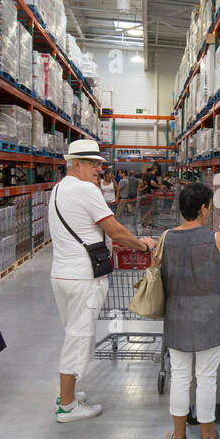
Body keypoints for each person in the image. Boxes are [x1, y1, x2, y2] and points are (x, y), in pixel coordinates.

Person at [49, 140, 157, 423]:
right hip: (83, 277)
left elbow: (91, 234)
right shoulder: (86, 189)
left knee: (73, 332)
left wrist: (122, 244)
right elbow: (116, 230)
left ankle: (68, 394)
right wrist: (142, 246)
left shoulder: (59, 189)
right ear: (77, 164)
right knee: (78, 337)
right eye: (94, 164)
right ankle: (67, 407)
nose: (100, 169)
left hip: (62, 274)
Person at [162, 182, 220, 439]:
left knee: (180, 377)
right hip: (209, 320)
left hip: (177, 318)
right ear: (204, 208)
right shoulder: (216, 239)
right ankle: (209, 437)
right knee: (206, 378)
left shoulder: (166, 238)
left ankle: (179, 437)